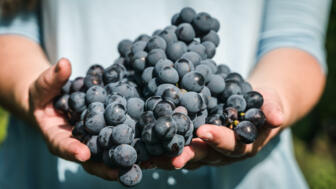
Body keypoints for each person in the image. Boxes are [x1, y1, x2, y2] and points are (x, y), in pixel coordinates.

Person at [0, 0, 331, 188]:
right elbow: (9, 29)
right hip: (49, 164)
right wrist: (32, 89)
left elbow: (295, 41)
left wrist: (280, 97)